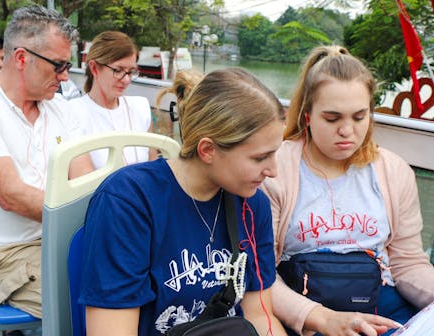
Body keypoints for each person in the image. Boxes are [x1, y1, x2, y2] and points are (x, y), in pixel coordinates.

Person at [261, 46, 434, 336]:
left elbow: (407, 263)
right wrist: (322, 318)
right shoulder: (276, 169)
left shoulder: (392, 171)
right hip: (304, 310)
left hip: (378, 304)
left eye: (359, 117)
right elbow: (261, 274)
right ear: (308, 115)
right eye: (332, 118)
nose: (347, 130)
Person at [80, 68, 288, 336]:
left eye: (275, 155)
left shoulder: (251, 204)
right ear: (208, 150)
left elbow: (260, 315)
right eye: (260, 158)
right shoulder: (129, 201)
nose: (273, 171)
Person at [0, 5, 94, 318]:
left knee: (145, 280)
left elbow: (86, 182)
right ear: (22, 58)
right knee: (97, 300)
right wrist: (103, 219)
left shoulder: (62, 108)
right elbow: (11, 196)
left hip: (57, 238)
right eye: (59, 66)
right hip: (0, 252)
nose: (65, 77)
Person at [70, 31, 155, 168]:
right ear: (94, 68)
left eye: (131, 72)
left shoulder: (140, 108)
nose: (126, 79)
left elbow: (152, 169)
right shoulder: (74, 113)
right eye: (118, 70)